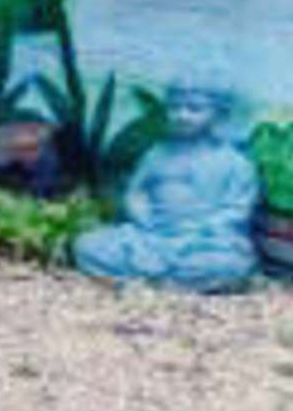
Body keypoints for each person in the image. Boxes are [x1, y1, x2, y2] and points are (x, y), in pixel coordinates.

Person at [76, 86, 262, 293]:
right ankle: (160, 282)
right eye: (175, 108)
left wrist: (199, 229)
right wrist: (141, 214)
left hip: (202, 241)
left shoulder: (234, 162)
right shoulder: (156, 153)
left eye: (194, 109)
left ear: (218, 115)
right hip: (152, 235)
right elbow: (136, 192)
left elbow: (237, 210)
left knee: (230, 265)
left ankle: (157, 282)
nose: (182, 115)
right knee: (87, 245)